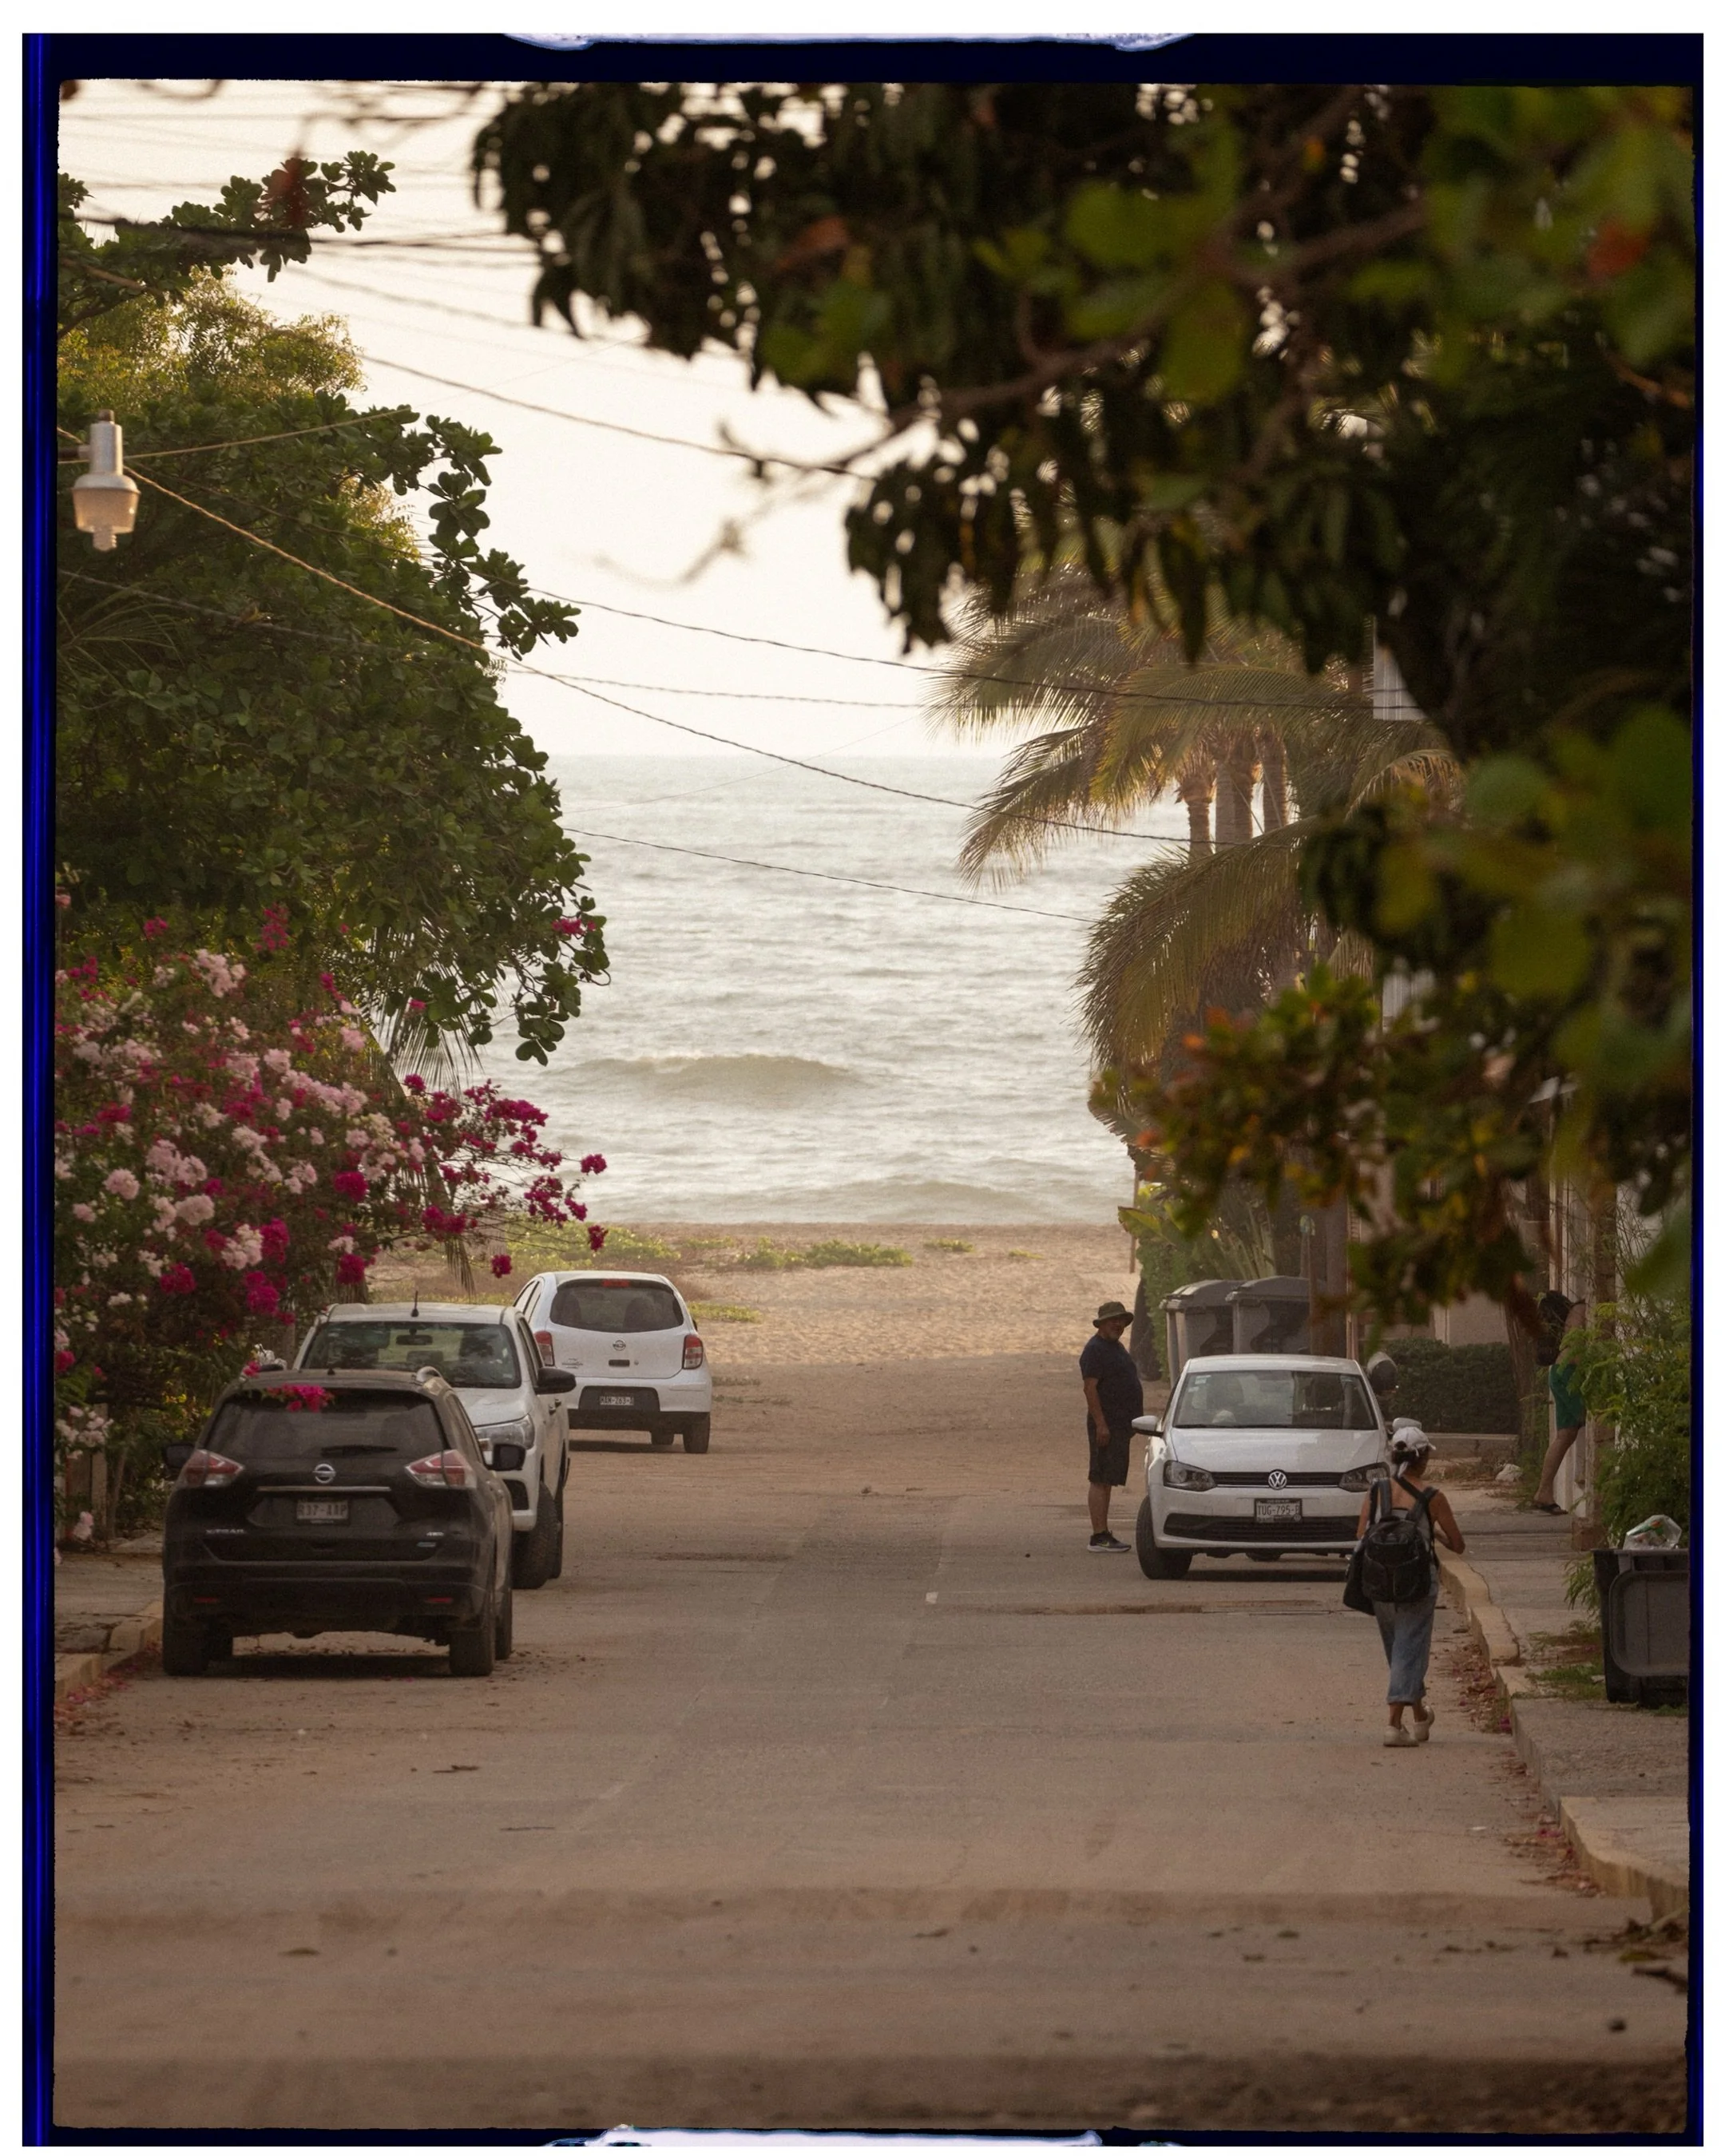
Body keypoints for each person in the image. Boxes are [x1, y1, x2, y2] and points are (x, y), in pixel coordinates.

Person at [1356, 1425, 1465, 1746]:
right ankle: (1393, 1724)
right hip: (1418, 1582)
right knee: (1410, 1647)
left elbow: (1362, 1534)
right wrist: (1432, 1531)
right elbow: (1458, 1545)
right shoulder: (1434, 1497)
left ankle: (1419, 1717)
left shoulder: (1376, 1491)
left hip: (1379, 1581)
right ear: (1424, 1458)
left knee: (1399, 1648)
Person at [1079, 1298, 1142, 1552]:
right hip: (1106, 1425)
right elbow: (1090, 1389)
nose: (1118, 1325)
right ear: (1102, 1323)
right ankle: (1099, 1536)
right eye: (1113, 1320)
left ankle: (1103, 1533)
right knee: (1100, 1478)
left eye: (1121, 1320)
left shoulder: (1114, 1347)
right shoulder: (1095, 1350)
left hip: (1118, 1425)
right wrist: (1101, 1425)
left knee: (1108, 1478)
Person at [1533, 1293, 1588, 1513]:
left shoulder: (1574, 1313)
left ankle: (1543, 1493)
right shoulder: (1581, 1310)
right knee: (1594, 1419)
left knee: (1565, 1435)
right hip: (1569, 1373)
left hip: (1559, 1372)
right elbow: (1576, 1349)